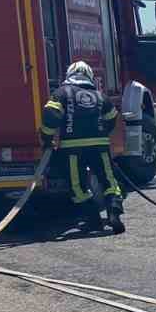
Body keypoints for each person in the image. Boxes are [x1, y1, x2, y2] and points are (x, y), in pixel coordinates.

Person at [41, 61, 125, 234]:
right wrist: (102, 132)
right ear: (89, 76)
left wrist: (47, 138)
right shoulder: (99, 95)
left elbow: (50, 114)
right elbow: (112, 116)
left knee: (77, 186)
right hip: (100, 146)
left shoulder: (62, 92)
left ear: (69, 75)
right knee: (109, 181)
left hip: (72, 148)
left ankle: (93, 219)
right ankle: (114, 213)